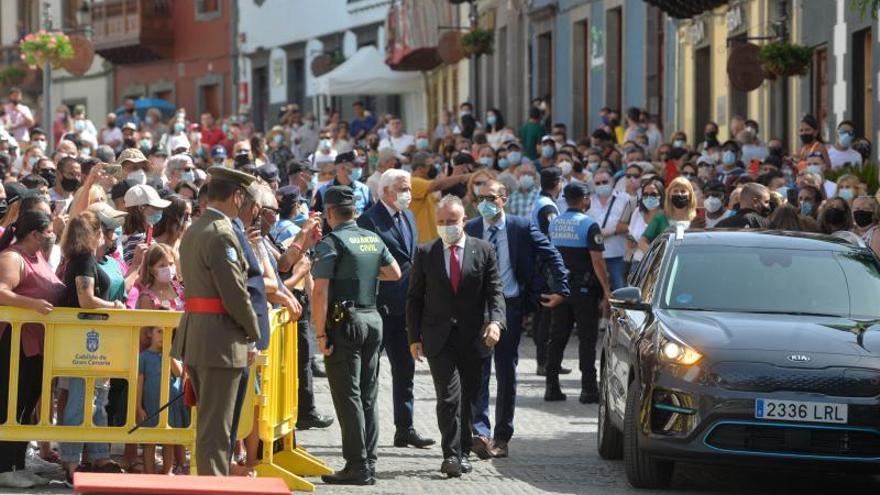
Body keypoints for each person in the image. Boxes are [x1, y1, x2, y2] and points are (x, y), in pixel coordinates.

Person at [465, 180, 568, 459]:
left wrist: (561, 289)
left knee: (506, 372)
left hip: (510, 306)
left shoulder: (520, 227)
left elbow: (551, 255)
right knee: (478, 370)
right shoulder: (472, 229)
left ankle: (502, 435)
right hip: (477, 309)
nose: (486, 203)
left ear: (504, 199)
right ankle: (480, 431)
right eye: (481, 198)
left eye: (492, 198)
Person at [407, 194, 505, 478]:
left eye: (451, 221)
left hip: (474, 337)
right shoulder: (426, 252)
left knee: (469, 399)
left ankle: (463, 450)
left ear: (464, 220)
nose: (446, 226)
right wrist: (414, 338)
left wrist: (496, 322)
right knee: (448, 397)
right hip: (438, 337)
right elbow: (414, 298)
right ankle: (450, 454)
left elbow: (494, 291)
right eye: (441, 222)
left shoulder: (483, 250)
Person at [171, 166, 261, 476]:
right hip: (220, 339)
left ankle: (215, 481)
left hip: (200, 334)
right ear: (236, 196)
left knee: (212, 426)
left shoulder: (196, 228)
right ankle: (214, 485)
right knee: (218, 430)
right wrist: (254, 332)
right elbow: (235, 293)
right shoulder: (221, 234)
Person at [311, 186, 401, 485]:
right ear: (355, 211)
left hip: (345, 323)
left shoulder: (331, 242)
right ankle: (370, 462)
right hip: (372, 317)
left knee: (348, 395)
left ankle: (357, 465)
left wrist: (320, 333)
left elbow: (321, 289)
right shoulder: (372, 238)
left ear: (330, 213)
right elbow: (394, 273)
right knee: (368, 395)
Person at [357, 169, 435, 449]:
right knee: (369, 372)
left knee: (405, 370)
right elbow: (364, 262)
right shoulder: (368, 220)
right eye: (403, 189)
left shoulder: (410, 216)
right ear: (386, 191)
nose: (408, 194)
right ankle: (365, 430)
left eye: (409, 189)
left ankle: (405, 428)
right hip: (378, 308)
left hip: (405, 309)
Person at [58, 211, 126, 483]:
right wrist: (115, 306)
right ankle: (72, 462)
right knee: (81, 400)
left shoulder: (80, 259)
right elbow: (86, 299)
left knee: (97, 400)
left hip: (90, 338)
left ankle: (99, 456)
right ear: (95, 233)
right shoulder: (84, 260)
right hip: (83, 339)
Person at [0, 211, 65, 489]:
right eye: (49, 231)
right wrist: (32, 306)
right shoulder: (12, 257)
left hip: (37, 344)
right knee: (9, 405)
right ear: (34, 234)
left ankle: (17, 463)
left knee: (26, 405)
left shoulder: (38, 257)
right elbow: (1, 291)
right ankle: (4, 468)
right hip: (15, 342)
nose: (53, 235)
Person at [545, 182, 610, 403]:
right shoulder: (589, 225)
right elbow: (597, 261)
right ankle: (589, 389)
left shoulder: (554, 224)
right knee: (587, 339)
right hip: (584, 291)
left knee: (557, 337)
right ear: (584, 199)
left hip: (559, 289)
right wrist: (607, 289)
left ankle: (551, 386)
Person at [587, 169, 631, 290]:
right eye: (598, 183)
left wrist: (613, 231)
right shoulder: (588, 201)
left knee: (620, 290)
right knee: (596, 293)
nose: (601, 185)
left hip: (618, 254)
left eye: (604, 182)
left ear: (611, 182)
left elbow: (633, 225)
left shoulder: (625, 199)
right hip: (595, 255)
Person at [639, 176, 697, 249]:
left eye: (683, 191)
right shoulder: (661, 217)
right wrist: (655, 257)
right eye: (675, 191)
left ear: (690, 195)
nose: (679, 194)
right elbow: (642, 241)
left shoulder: (697, 217)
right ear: (669, 194)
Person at [122, 184, 171, 265]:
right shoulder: (139, 239)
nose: (160, 211)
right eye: (156, 207)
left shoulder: (130, 236)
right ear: (141, 208)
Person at [312, 151, 372, 215]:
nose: (359, 168)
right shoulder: (323, 191)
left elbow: (370, 217)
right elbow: (315, 217)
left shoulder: (364, 190)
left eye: (361, 165)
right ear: (342, 168)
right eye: (356, 165)